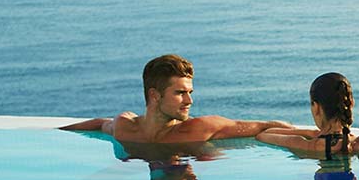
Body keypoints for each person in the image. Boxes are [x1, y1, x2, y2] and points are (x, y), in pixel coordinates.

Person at [60, 54, 292, 143]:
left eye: (190, 92)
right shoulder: (125, 127)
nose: (189, 101)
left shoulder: (199, 129)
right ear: (154, 95)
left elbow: (265, 126)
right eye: (180, 93)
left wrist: (314, 135)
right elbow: (100, 124)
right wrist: (56, 133)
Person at [256, 72, 359, 157]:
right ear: (350, 103)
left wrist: (310, 133)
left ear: (316, 108)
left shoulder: (306, 145)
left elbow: (264, 135)